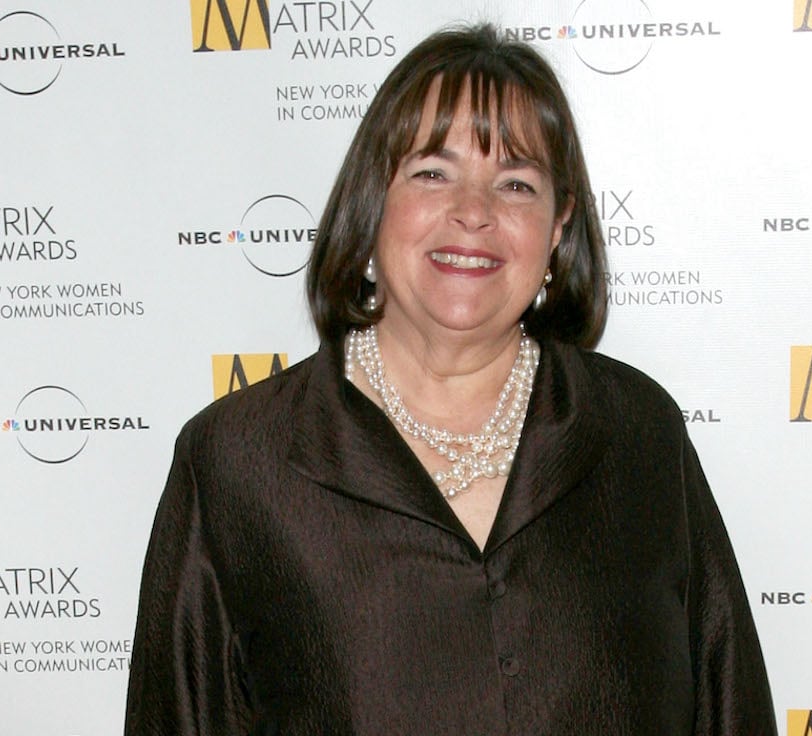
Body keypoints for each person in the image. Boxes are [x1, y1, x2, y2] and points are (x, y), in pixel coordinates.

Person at [126, 23, 775, 735]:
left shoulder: (638, 435)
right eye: (433, 172)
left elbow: (728, 703)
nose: (474, 212)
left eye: (517, 184)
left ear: (558, 227)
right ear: (372, 202)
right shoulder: (236, 463)